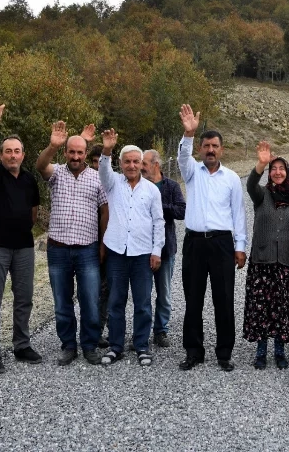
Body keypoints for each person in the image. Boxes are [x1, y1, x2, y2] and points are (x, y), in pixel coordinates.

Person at [177, 104, 247, 372]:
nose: (210, 150)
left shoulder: (231, 179)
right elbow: (182, 157)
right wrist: (189, 134)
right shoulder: (192, 172)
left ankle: (224, 352)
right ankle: (193, 351)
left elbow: (238, 214)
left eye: (215, 146)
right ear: (200, 149)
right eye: (205, 145)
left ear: (221, 149)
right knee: (193, 299)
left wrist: (240, 247)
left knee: (224, 298)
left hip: (221, 244)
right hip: (194, 242)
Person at [0, 95, 42, 374]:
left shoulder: (29, 179)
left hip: (24, 248)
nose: (12, 155)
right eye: (7, 151)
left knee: (24, 297)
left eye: (17, 151)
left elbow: (33, 213)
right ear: (2, 155)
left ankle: (21, 344)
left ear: (23, 155)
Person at [35, 121, 108, 366]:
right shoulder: (56, 173)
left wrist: (102, 244)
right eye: (71, 152)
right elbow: (40, 165)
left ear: (86, 154)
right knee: (62, 301)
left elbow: (105, 211)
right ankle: (68, 345)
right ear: (65, 153)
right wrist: (52, 145)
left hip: (87, 249)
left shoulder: (97, 178)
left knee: (89, 299)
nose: (75, 156)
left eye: (80, 152)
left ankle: (89, 345)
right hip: (58, 249)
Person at [98, 128, 165, 367]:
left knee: (143, 303)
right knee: (116, 301)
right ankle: (115, 346)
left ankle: (141, 345)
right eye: (127, 161)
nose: (132, 165)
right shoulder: (113, 183)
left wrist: (157, 251)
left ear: (142, 164)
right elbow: (103, 170)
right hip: (117, 252)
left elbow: (159, 222)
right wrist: (107, 149)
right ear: (121, 164)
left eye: (136, 161)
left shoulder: (151, 190)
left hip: (142, 254)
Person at [244, 141, 289, 370]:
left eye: (282, 168)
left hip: (288, 264)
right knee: (261, 307)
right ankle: (261, 351)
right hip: (263, 261)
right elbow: (251, 183)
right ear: (270, 174)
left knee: (283, 308)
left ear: (287, 173)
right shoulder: (261, 195)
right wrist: (261, 163)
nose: (278, 172)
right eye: (274, 169)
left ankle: (280, 350)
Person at [141, 149, 186, 348]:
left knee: (164, 293)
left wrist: (159, 206)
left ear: (156, 165)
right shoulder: (138, 185)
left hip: (166, 249)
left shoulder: (172, 186)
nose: (141, 167)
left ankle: (161, 330)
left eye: (145, 163)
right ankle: (141, 331)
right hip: (141, 248)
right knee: (142, 294)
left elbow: (182, 211)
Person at [87, 142, 110, 348]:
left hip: (109, 244)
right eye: (94, 161)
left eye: (99, 162)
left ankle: (104, 329)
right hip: (88, 243)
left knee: (107, 289)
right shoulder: (86, 181)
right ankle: (91, 331)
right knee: (91, 290)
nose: (96, 166)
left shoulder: (112, 182)